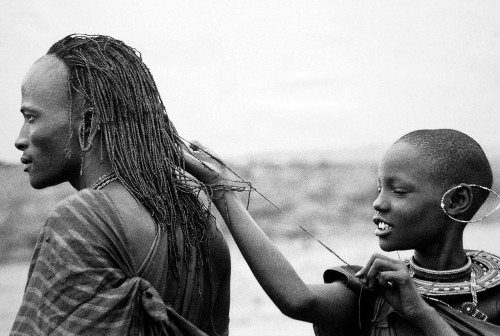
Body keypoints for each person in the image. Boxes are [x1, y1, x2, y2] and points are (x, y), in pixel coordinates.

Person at [11, 34, 230, 336]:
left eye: (31, 117)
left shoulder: (81, 219)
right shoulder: (205, 230)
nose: (20, 138)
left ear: (87, 123)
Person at [185, 129, 500, 335]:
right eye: (379, 189)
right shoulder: (375, 290)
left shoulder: (493, 295)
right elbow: (298, 300)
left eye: (399, 192)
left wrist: (418, 311)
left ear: (457, 200)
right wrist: (222, 189)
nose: (378, 203)